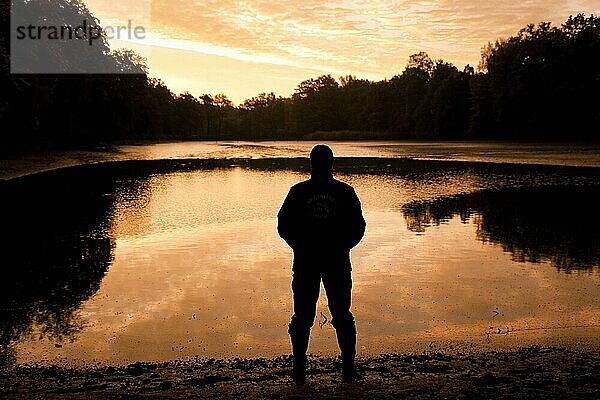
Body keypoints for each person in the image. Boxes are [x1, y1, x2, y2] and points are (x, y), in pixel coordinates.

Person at [277, 144, 366, 383]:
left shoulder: (298, 192)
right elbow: (359, 227)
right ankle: (347, 366)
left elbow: (283, 226)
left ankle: (300, 368)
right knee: (341, 314)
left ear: (311, 163)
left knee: (303, 315)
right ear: (332, 163)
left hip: (308, 262)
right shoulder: (345, 192)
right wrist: (342, 246)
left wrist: (300, 245)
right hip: (333, 262)